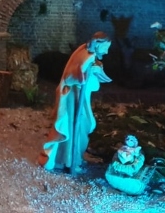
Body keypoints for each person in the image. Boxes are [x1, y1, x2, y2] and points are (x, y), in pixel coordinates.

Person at [40, 32, 112, 173]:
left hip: (81, 99)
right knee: (75, 129)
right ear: (98, 44)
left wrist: (94, 71)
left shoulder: (88, 53)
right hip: (74, 101)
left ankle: (72, 159)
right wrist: (85, 74)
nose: (107, 51)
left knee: (83, 128)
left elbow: (90, 82)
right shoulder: (87, 56)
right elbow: (70, 77)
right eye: (105, 47)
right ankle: (70, 160)